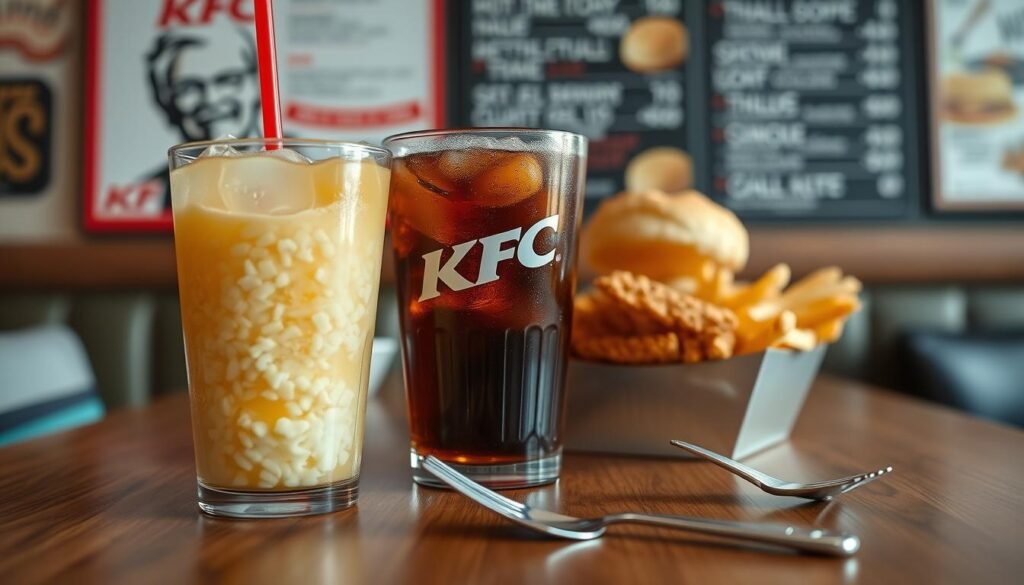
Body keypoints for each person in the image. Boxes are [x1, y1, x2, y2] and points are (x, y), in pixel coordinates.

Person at [144, 27, 261, 209]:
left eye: (228, 80)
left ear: (258, 85)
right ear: (165, 101)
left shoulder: (306, 175)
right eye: (188, 88)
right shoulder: (154, 195)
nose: (211, 99)